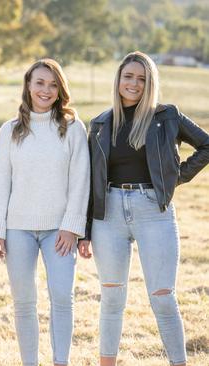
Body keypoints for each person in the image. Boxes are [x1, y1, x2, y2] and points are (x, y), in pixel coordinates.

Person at [78, 51, 209, 366]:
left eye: (142, 78)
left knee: (163, 298)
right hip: (108, 215)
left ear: (150, 82)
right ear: (118, 80)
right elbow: (88, 182)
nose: (134, 83)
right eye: (128, 76)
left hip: (154, 212)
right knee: (111, 298)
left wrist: (175, 178)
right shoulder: (100, 124)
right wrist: (84, 231)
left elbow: (206, 144)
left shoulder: (167, 116)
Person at [0, 59, 90, 366]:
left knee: (61, 297)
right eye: (40, 83)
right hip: (18, 230)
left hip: (60, 231)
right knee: (24, 302)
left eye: (53, 84)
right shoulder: (11, 130)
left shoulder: (72, 128)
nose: (46, 90)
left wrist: (71, 226)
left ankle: (60, 361)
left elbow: (81, 180)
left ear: (60, 90)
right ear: (28, 85)